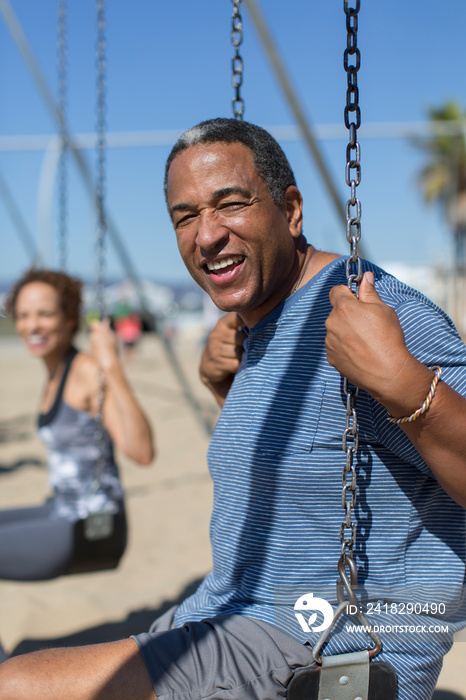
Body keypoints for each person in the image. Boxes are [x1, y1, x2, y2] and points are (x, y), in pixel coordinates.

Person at [0, 118, 465, 700]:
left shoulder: (379, 315)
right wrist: (224, 388)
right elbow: (307, 467)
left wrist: (403, 383)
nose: (207, 235)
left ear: (290, 209)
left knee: (17, 687)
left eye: (231, 203)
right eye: (185, 216)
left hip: (313, 648)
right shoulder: (261, 327)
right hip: (225, 616)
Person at [0, 268, 154, 581]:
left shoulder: (85, 370)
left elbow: (142, 452)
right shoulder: (56, 370)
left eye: (44, 314)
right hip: (62, 509)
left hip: (91, 525)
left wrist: (111, 365)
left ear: (69, 319)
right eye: (23, 315)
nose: (32, 325)